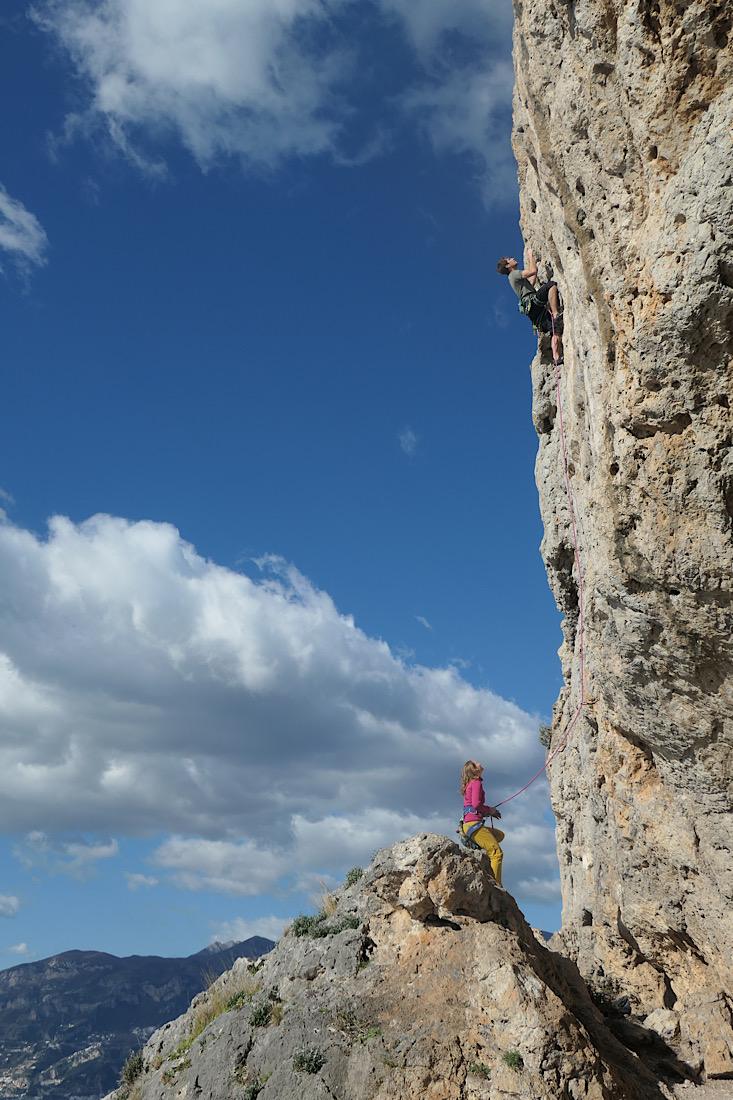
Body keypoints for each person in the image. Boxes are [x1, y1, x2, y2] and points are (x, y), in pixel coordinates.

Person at [497, 247, 563, 362]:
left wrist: (535, 269)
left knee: (555, 329)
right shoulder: (514, 274)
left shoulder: (513, 279)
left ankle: (556, 358)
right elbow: (532, 271)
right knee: (551, 285)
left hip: (532, 310)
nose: (513, 258)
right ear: (508, 266)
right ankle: (556, 313)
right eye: (509, 259)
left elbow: (530, 284)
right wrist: (530, 255)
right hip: (532, 303)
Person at [460, 759, 504, 885]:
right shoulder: (476, 783)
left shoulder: (471, 784)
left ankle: (479, 849)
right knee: (497, 853)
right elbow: (476, 804)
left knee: (499, 836)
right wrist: (490, 810)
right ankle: (497, 886)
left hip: (469, 824)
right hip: (474, 824)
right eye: (476, 763)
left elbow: (473, 806)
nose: (479, 763)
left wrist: (489, 812)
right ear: (475, 769)